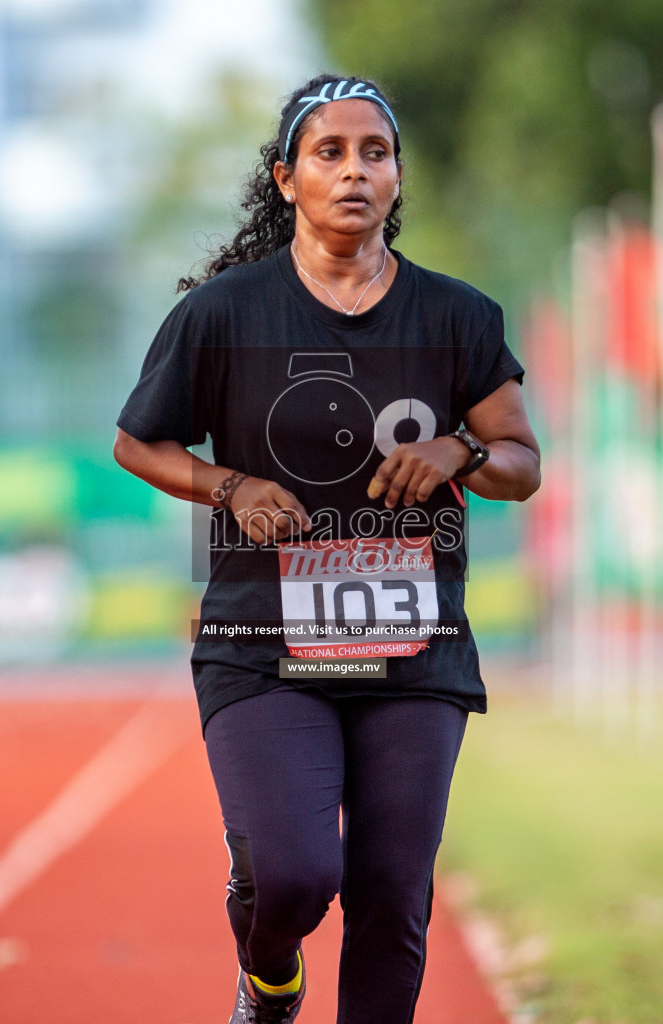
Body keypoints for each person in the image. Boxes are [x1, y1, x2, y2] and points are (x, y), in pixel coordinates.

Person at [113, 73, 541, 1024]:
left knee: (393, 898)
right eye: (330, 153)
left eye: (375, 153)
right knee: (299, 876)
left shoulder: (458, 318)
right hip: (264, 643)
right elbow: (136, 442)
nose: (355, 171)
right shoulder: (223, 315)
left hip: (412, 640)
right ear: (286, 180)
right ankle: (268, 971)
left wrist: (460, 449)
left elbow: (522, 461)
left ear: (398, 179)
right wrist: (229, 485)